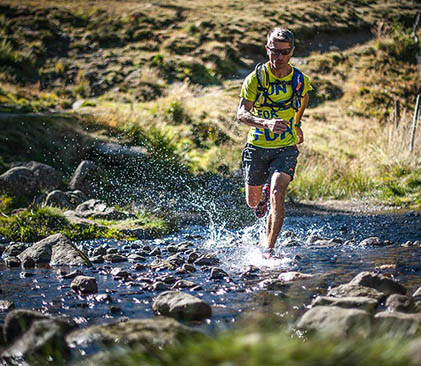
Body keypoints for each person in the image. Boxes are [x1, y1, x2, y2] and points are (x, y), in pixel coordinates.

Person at [237, 27, 312, 259]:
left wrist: (297, 124)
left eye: (284, 52)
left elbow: (303, 101)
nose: (278, 58)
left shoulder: (300, 80)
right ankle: (263, 193)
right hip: (257, 147)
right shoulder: (255, 79)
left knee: (278, 192)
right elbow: (241, 113)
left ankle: (268, 250)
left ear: (292, 52)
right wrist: (266, 123)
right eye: (274, 51)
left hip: (285, 148)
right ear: (267, 48)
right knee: (253, 203)